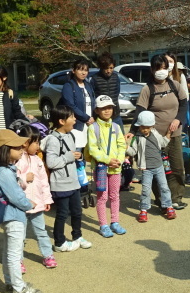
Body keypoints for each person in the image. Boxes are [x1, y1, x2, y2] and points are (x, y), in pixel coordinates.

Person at [129, 54, 189, 209]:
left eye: (164, 67)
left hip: (174, 134)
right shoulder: (147, 89)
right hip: (153, 137)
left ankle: (176, 198)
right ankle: (161, 199)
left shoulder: (175, 85)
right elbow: (140, 112)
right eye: (158, 68)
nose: (161, 71)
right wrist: (132, 131)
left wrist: (178, 120)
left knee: (177, 167)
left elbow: (184, 104)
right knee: (155, 168)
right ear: (152, 69)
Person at [0, 129, 43, 293]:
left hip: (11, 217)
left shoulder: (5, 170)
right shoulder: (4, 172)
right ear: (5, 149)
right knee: (14, 254)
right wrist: (29, 204)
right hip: (13, 217)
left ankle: (12, 284)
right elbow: (15, 196)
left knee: (9, 253)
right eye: (17, 147)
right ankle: (19, 289)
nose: (22, 150)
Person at [44, 104, 92, 252]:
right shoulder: (53, 139)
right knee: (62, 214)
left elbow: (71, 156)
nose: (75, 119)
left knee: (77, 212)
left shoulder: (70, 135)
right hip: (61, 184)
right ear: (61, 121)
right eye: (71, 117)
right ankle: (59, 242)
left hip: (73, 182)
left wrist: (77, 157)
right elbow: (51, 162)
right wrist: (69, 157)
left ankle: (77, 236)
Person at [15, 128, 58, 269]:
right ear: (25, 143)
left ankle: (48, 256)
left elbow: (44, 182)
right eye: (36, 143)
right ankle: (18, 260)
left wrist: (47, 199)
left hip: (37, 204)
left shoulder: (38, 160)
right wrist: (23, 178)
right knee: (19, 235)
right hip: (21, 205)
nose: (38, 146)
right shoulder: (16, 160)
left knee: (41, 232)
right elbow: (10, 181)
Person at [87, 95, 127, 238]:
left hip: (116, 168)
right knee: (102, 197)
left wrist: (119, 160)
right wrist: (107, 160)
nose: (107, 111)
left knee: (115, 196)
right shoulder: (93, 128)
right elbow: (93, 150)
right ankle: (103, 224)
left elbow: (122, 145)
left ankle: (115, 222)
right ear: (97, 110)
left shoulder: (116, 127)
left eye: (109, 107)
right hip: (101, 168)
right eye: (103, 108)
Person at [126, 110, 177, 222]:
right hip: (146, 169)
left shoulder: (155, 133)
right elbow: (133, 152)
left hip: (159, 167)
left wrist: (168, 134)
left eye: (147, 127)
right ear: (139, 126)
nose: (145, 130)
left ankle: (169, 207)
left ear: (152, 126)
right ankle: (143, 210)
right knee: (145, 190)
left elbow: (163, 143)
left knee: (164, 187)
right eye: (142, 127)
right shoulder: (137, 138)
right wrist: (125, 146)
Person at [58, 59, 96, 132]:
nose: (83, 73)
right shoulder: (68, 86)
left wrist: (92, 118)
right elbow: (70, 105)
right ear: (73, 71)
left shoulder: (88, 85)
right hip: (76, 125)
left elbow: (93, 103)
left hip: (90, 124)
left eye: (86, 70)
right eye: (81, 70)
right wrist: (86, 118)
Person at [91, 52, 123, 127]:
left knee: (120, 137)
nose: (108, 71)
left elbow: (117, 93)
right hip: (101, 116)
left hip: (116, 115)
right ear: (101, 67)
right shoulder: (94, 79)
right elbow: (92, 97)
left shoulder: (116, 77)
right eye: (106, 68)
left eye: (111, 68)